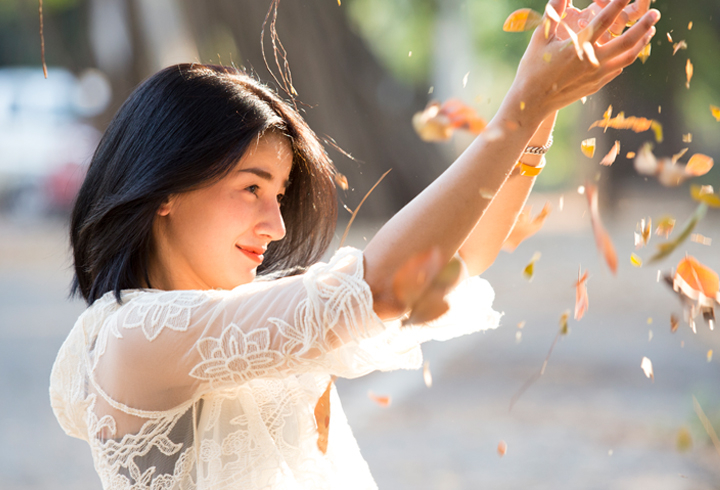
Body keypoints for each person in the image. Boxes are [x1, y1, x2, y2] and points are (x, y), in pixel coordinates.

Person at [49, 0, 659, 488]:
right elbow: (386, 285)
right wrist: (521, 109)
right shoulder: (134, 338)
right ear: (165, 189)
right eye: (251, 188)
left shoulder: (240, 318)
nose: (277, 225)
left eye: (279, 194)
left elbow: (448, 266)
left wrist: (542, 112)